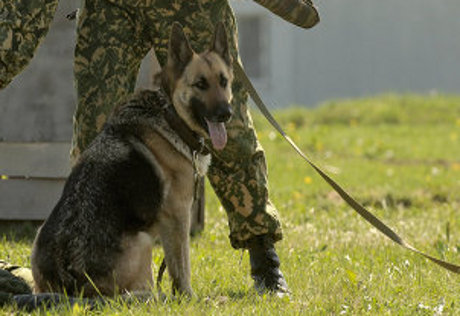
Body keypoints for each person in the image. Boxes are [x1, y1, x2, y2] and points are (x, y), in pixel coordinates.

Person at [0, 0, 319, 296]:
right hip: (113, 7)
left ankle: (263, 257)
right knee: (95, 133)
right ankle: (87, 255)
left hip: (188, 5)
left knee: (228, 132)